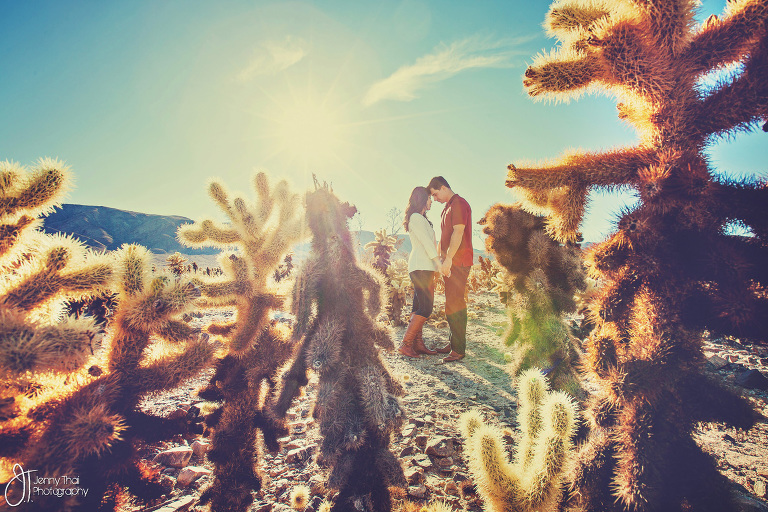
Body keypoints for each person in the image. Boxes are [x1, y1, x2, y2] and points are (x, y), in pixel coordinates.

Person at [427, 176, 473, 363]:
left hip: (459, 262)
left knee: (456, 303)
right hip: (449, 261)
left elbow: (458, 232)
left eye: (436, 194)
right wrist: (440, 259)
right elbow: (443, 237)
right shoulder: (447, 208)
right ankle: (454, 343)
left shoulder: (459, 203)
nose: (435, 199)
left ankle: (459, 349)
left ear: (444, 188)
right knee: (450, 303)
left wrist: (449, 260)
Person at [398, 186, 442, 358]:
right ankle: (406, 344)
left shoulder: (421, 218)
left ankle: (417, 343)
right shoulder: (416, 217)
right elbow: (426, 242)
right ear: (423, 199)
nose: (432, 201)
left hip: (424, 267)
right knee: (426, 306)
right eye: (430, 198)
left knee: (418, 306)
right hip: (421, 266)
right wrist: (437, 262)